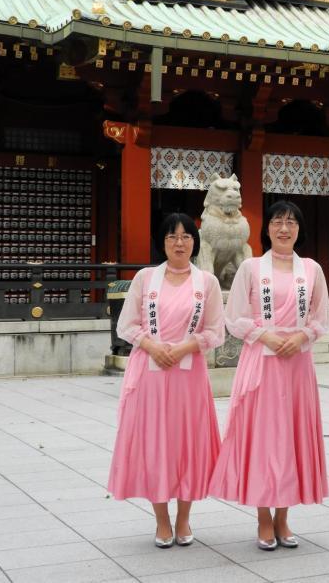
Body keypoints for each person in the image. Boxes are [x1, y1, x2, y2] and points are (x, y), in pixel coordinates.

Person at [209, 201, 329, 551]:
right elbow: (235, 316)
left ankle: (284, 516)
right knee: (263, 440)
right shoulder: (251, 268)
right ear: (267, 228)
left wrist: (301, 337)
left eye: (291, 223)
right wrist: (266, 335)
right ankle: (264, 517)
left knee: (291, 438)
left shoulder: (311, 270)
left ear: (299, 229)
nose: (284, 228)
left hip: (297, 364)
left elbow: (322, 317)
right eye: (278, 221)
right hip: (261, 361)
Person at [108, 213, 224, 548]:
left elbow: (216, 331)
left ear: (194, 242)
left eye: (186, 236)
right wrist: (152, 346)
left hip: (189, 375)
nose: (179, 242)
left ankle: (184, 519)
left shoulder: (208, 283)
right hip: (152, 373)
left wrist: (187, 345)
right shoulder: (145, 279)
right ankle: (161, 521)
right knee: (156, 443)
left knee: (187, 443)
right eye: (172, 236)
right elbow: (126, 325)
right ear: (162, 242)